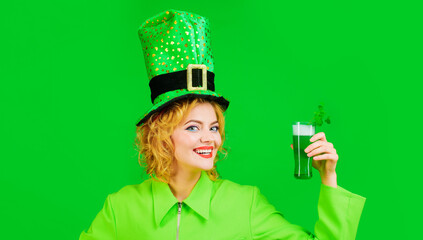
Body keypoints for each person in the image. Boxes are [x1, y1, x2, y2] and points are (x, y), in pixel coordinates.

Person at [79, 9, 366, 240]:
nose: (209, 139)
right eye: (193, 127)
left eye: (213, 127)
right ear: (162, 135)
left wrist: (329, 178)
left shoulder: (246, 204)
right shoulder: (120, 208)